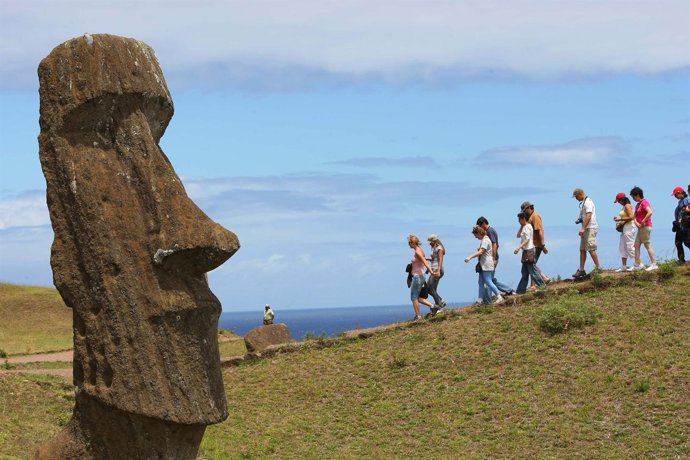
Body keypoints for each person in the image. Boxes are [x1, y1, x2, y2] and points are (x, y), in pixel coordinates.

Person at [476, 216, 514, 301]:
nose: (480, 229)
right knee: (490, 279)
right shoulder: (489, 231)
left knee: (488, 280)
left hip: (492, 258)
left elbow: (494, 245)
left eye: (479, 226)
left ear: (483, 224)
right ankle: (508, 290)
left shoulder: (490, 231)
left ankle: (488, 300)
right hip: (491, 258)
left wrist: (493, 258)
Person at [464, 226, 505, 304]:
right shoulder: (484, 240)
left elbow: (481, 252)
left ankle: (499, 296)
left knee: (488, 281)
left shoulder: (485, 240)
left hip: (486, 264)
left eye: (475, 235)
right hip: (483, 264)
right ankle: (480, 299)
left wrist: (470, 257)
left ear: (479, 233)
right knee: (480, 282)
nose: (475, 237)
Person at [520, 201, 550, 286]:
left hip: (536, 244)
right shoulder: (530, 217)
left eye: (525, 211)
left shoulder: (535, 216)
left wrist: (543, 245)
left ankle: (539, 282)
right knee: (531, 264)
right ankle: (540, 280)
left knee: (531, 264)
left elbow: (540, 230)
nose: (524, 213)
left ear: (529, 208)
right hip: (532, 245)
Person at [572, 188, 601, 277]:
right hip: (586, 227)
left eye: (576, 196)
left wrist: (583, 228)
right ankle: (581, 270)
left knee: (591, 248)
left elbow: (589, 215)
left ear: (580, 194)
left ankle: (598, 268)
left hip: (590, 227)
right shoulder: (583, 202)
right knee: (582, 249)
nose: (576, 199)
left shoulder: (588, 202)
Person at [407, 235, 437, 320]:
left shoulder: (417, 251)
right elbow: (423, 258)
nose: (408, 244)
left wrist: (431, 271)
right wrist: (428, 258)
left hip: (418, 277)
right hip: (420, 276)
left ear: (413, 242)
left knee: (414, 297)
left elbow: (424, 262)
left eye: (409, 242)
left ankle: (418, 316)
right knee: (418, 297)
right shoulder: (419, 250)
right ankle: (433, 306)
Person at [514, 212, 545, 293]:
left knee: (532, 271)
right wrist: (521, 225)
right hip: (526, 251)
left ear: (523, 219)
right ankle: (520, 290)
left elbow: (527, 240)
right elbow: (517, 235)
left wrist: (519, 247)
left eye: (519, 219)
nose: (518, 221)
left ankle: (543, 286)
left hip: (529, 251)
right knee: (524, 272)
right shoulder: (524, 227)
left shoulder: (527, 227)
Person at [630, 186, 658, 271]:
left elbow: (650, 212)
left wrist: (642, 222)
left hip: (645, 227)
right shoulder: (638, 204)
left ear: (638, 195)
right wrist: (636, 223)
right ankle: (637, 264)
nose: (633, 199)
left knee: (647, 245)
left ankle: (654, 264)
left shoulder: (644, 202)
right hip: (640, 228)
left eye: (634, 197)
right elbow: (633, 216)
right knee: (636, 245)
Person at [612, 192, 636, 272]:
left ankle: (638, 263)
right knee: (622, 247)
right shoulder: (624, 207)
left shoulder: (627, 206)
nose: (618, 202)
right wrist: (619, 217)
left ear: (622, 199)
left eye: (618, 201)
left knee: (630, 245)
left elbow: (631, 217)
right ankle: (624, 266)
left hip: (629, 227)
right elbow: (626, 216)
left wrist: (620, 219)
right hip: (625, 227)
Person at [426, 234, 447, 311]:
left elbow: (440, 260)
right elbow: (434, 259)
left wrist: (438, 271)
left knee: (431, 289)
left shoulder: (439, 248)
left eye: (430, 242)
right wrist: (427, 259)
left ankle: (439, 306)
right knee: (428, 289)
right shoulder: (434, 248)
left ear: (433, 241)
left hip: (437, 270)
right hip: (433, 270)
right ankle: (440, 301)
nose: (429, 244)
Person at [671, 186, 690, 264]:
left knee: (687, 242)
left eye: (676, 194)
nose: (675, 196)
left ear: (680, 193)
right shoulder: (680, 201)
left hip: (685, 225)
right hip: (680, 226)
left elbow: (685, 211)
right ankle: (681, 260)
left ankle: (681, 260)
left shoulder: (686, 200)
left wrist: (681, 219)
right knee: (678, 242)